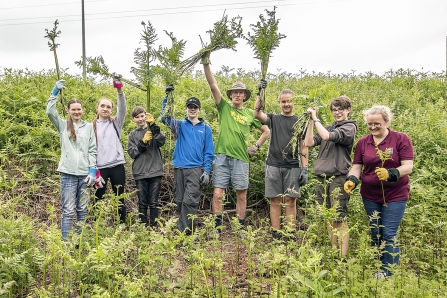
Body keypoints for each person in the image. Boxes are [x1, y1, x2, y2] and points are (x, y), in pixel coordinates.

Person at [202, 52, 270, 233]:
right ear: (231, 95)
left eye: (241, 92)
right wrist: (206, 62)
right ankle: (216, 228)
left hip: (241, 158)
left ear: (245, 96)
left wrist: (255, 146)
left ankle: (240, 227)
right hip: (222, 156)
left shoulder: (250, 114)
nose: (237, 95)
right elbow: (213, 85)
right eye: (235, 92)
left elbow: (266, 131)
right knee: (218, 193)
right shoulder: (223, 108)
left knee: (241, 194)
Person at [344, 105, 414, 277]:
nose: (373, 127)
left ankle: (388, 272)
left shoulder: (400, 139)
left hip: (395, 194)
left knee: (389, 232)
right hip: (370, 194)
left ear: (387, 121)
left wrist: (392, 173)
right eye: (369, 124)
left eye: (377, 124)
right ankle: (378, 266)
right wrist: (352, 179)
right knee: (376, 230)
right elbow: (357, 166)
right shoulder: (363, 142)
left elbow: (408, 166)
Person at [253, 85, 308, 240]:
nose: (286, 104)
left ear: (294, 103)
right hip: (273, 164)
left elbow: (304, 145)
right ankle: (276, 232)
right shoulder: (274, 119)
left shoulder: (300, 121)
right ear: (279, 102)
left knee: (291, 200)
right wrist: (260, 93)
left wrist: (305, 168)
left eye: (289, 101)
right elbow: (257, 114)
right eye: (283, 102)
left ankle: (290, 233)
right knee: (275, 199)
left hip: (293, 166)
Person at [304, 96, 357, 258]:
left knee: (339, 217)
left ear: (348, 110)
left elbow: (327, 137)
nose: (337, 112)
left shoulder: (349, 128)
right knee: (328, 215)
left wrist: (316, 118)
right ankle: (334, 252)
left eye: (341, 109)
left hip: (338, 177)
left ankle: (342, 256)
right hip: (322, 176)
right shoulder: (328, 127)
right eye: (334, 110)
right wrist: (311, 122)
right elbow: (309, 142)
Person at [46, 80, 97, 240]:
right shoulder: (62, 125)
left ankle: (78, 241)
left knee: (82, 209)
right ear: (68, 110)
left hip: (84, 175)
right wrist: (54, 92)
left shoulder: (88, 127)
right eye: (73, 109)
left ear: (82, 110)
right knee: (68, 211)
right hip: (67, 174)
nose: (76, 112)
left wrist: (92, 171)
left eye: (79, 109)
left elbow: (92, 149)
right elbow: (50, 112)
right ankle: (65, 243)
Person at [160, 85, 214, 235]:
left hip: (196, 170)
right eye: (190, 106)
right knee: (180, 201)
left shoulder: (206, 128)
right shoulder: (180, 125)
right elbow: (164, 117)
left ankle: (184, 232)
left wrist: (207, 171)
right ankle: (187, 229)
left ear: (199, 110)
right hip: (179, 168)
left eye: (195, 107)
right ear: (186, 109)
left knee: (190, 201)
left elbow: (209, 151)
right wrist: (168, 97)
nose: (192, 109)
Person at [93, 75, 127, 224]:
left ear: (111, 110)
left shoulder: (116, 123)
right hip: (99, 168)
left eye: (108, 107)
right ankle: (96, 224)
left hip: (117, 165)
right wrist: (93, 170)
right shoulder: (91, 126)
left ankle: (122, 224)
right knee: (97, 197)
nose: (105, 109)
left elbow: (123, 109)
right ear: (98, 108)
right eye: (103, 106)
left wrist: (119, 91)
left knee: (119, 195)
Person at [127, 106, 166, 227]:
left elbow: (162, 141)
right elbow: (132, 153)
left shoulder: (153, 130)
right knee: (142, 202)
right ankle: (142, 227)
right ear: (133, 119)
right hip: (140, 172)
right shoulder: (132, 134)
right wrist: (143, 142)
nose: (140, 119)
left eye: (142, 116)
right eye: (137, 117)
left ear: (146, 116)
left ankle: (154, 227)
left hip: (155, 171)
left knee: (154, 202)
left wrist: (154, 126)